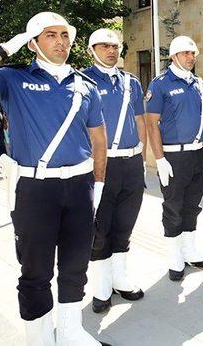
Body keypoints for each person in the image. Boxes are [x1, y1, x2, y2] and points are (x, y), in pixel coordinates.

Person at [0, 12, 108, 345]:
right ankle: (39, 339)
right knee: (36, 272)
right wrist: (7, 46)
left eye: (65, 35)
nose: (61, 41)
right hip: (35, 188)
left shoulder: (85, 85)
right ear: (33, 43)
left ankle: (71, 332)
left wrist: (98, 184)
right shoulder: (11, 80)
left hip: (80, 185)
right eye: (51, 35)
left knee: (75, 265)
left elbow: (98, 137)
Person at [83, 29, 146, 312]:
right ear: (91, 49)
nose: (111, 50)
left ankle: (120, 278)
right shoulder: (82, 80)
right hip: (101, 163)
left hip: (131, 163)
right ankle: (101, 286)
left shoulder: (130, 81)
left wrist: (143, 157)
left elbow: (140, 119)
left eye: (115, 46)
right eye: (104, 46)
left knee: (125, 223)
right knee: (99, 228)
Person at [145, 36, 203, 282]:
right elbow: (152, 124)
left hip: (196, 153)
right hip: (173, 155)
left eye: (193, 53)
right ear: (174, 56)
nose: (191, 57)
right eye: (185, 53)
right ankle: (175, 257)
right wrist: (160, 159)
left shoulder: (197, 83)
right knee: (173, 207)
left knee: (192, 205)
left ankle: (190, 251)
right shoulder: (161, 84)